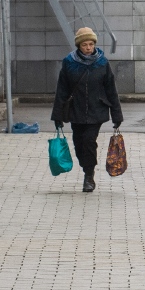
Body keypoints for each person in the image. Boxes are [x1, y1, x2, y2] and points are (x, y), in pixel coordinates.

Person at [52, 26, 123, 192]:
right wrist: (57, 115)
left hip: (96, 110)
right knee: (78, 143)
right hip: (75, 110)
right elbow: (62, 90)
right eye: (85, 45)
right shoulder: (69, 63)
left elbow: (111, 89)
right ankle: (86, 168)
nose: (89, 47)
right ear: (79, 45)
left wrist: (116, 115)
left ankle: (89, 176)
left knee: (89, 141)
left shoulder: (102, 63)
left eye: (91, 44)